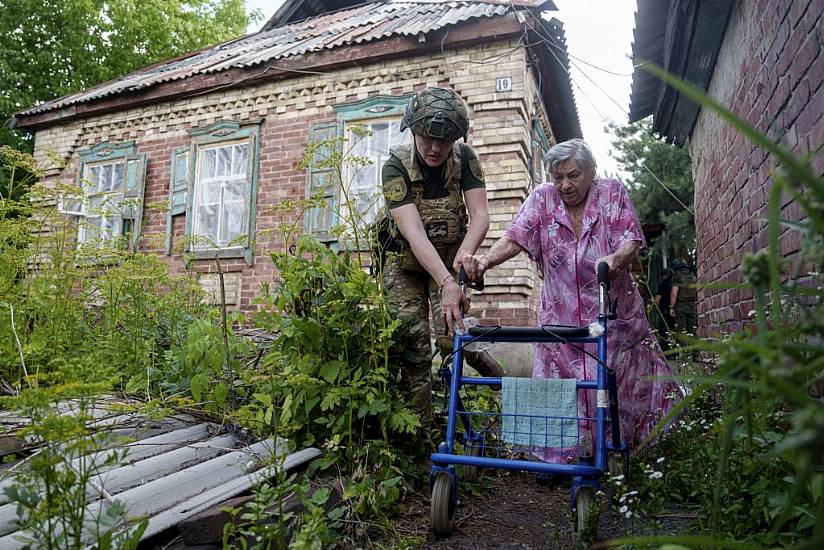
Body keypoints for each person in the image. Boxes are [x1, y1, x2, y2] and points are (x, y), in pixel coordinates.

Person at [463, 138, 683, 462]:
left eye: (574, 175)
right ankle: (559, 457)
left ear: (591, 171)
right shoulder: (542, 199)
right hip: (560, 317)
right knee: (560, 387)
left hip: (613, 315)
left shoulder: (612, 193)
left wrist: (613, 260)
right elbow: (514, 237)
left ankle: (631, 451)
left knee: (619, 385)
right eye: (558, 177)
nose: (565, 184)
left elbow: (631, 240)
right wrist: (484, 263)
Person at [377, 86, 505, 464]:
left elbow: (480, 216)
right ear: (413, 132)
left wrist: (463, 257)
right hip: (405, 265)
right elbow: (413, 233)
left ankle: (485, 385)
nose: (435, 148)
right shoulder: (395, 166)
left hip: (448, 258)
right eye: (428, 139)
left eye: (445, 140)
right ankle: (420, 443)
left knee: (454, 339)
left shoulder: (465, 159)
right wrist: (448, 282)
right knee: (413, 346)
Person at [670, 258, 697, 340]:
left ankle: (684, 351)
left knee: (681, 331)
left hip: (680, 306)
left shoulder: (677, 277)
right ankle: (695, 352)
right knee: (692, 330)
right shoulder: (693, 277)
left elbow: (674, 293)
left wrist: (671, 307)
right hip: (692, 306)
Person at [653, 268, 675, 351]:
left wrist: (657, 308)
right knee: (673, 331)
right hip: (674, 311)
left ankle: (666, 351)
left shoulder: (663, 285)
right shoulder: (674, 284)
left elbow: (657, 300)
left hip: (664, 311)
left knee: (663, 332)